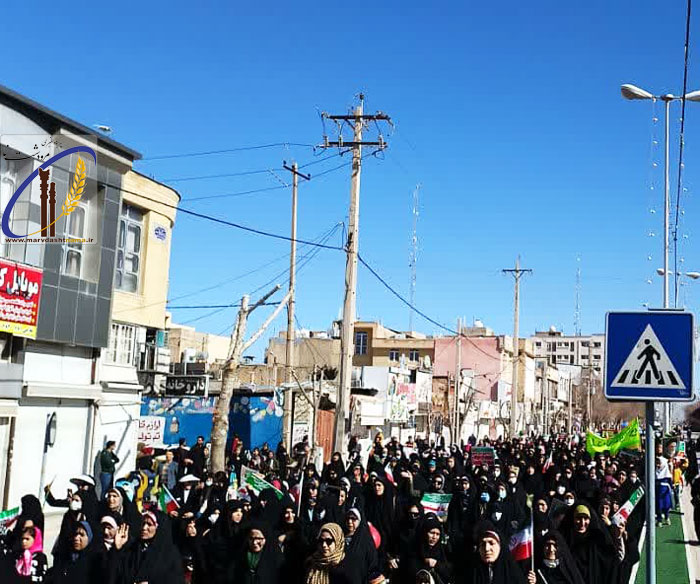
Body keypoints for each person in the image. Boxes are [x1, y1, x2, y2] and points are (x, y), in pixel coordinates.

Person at [111, 510, 184, 583]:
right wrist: (117, 549)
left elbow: (176, 580)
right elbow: (116, 575)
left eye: (149, 524)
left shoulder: (170, 554)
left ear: (159, 528)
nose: (144, 528)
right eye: (143, 523)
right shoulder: (133, 548)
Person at [462, 523, 527, 584]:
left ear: (500, 546)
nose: (487, 548)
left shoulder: (513, 574)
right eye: (483, 544)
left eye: (491, 543)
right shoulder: (471, 574)